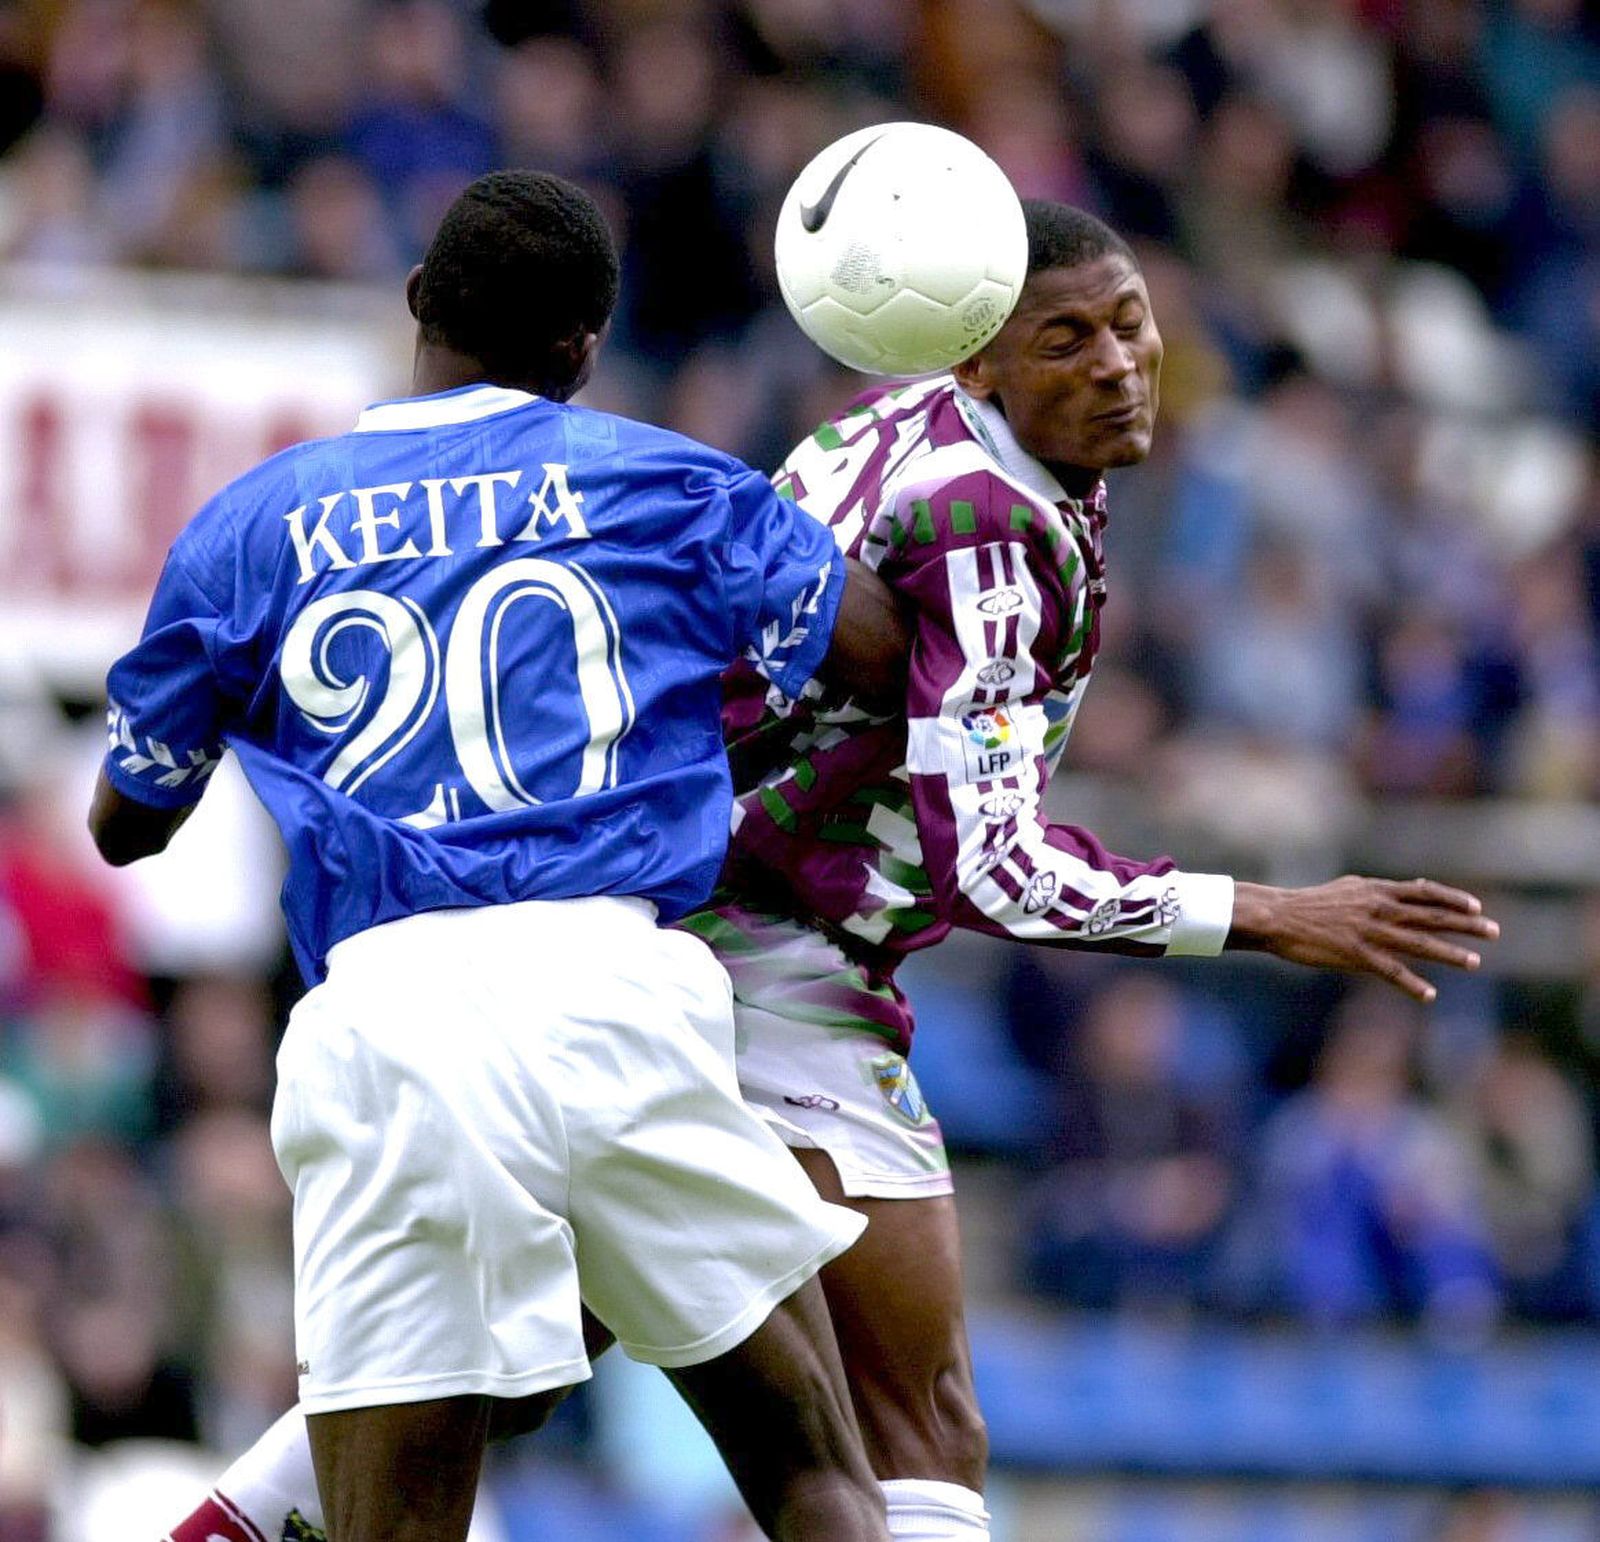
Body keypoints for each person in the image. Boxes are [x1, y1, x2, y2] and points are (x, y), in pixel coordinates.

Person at [157, 199, 1500, 1542]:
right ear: (980, 362)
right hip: (771, 949)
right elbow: (1000, 867)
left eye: (1132, 323)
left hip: (685, 932)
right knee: (914, 1419)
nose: (1115, 363)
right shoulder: (986, 522)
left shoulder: (893, 428)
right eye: (1067, 338)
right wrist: (1268, 911)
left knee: (503, 1374)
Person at [94, 169, 903, 1542]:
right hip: (617, 983)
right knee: (811, 1463)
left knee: (393, 1516)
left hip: (392, 1010)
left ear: (418, 303)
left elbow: (129, 822)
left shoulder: (249, 524)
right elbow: (877, 646)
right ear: (585, 349)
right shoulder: (667, 481)